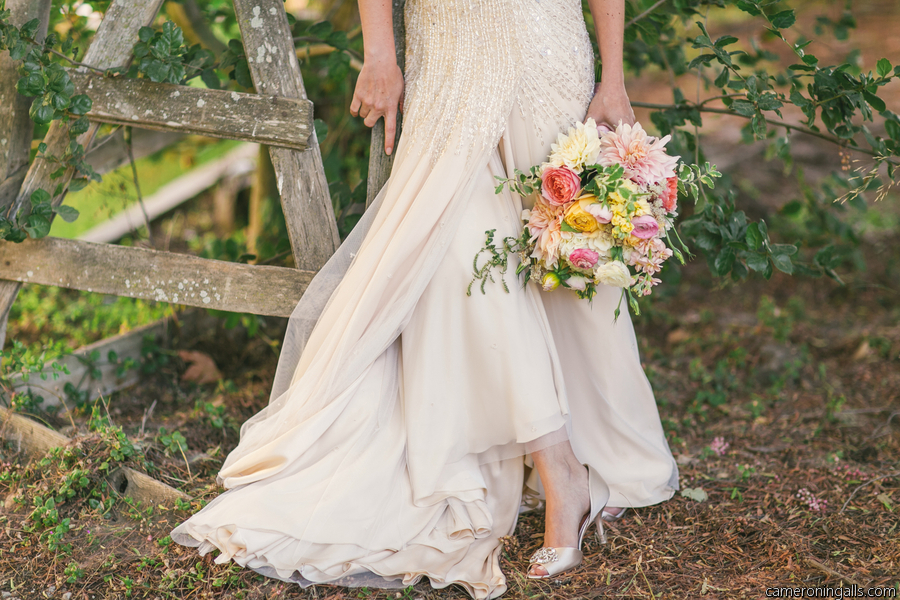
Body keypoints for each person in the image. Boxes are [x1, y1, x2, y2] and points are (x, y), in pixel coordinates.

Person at [170, 0, 678, 596]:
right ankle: (561, 469)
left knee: (562, 245)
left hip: (547, 46)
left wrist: (613, 80)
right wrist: (380, 52)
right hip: (448, 56)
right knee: (465, 260)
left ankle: (593, 442)